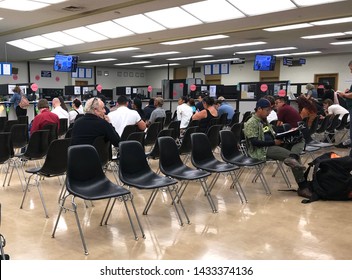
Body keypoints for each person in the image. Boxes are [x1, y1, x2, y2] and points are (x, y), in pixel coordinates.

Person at [243, 98, 308, 196]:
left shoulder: (264, 120)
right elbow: (254, 142)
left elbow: (272, 133)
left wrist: (287, 134)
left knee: (299, 139)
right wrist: (273, 142)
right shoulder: (251, 122)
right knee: (293, 157)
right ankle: (303, 187)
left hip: (273, 143)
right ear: (259, 109)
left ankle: (293, 158)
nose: (269, 113)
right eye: (267, 110)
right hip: (263, 149)